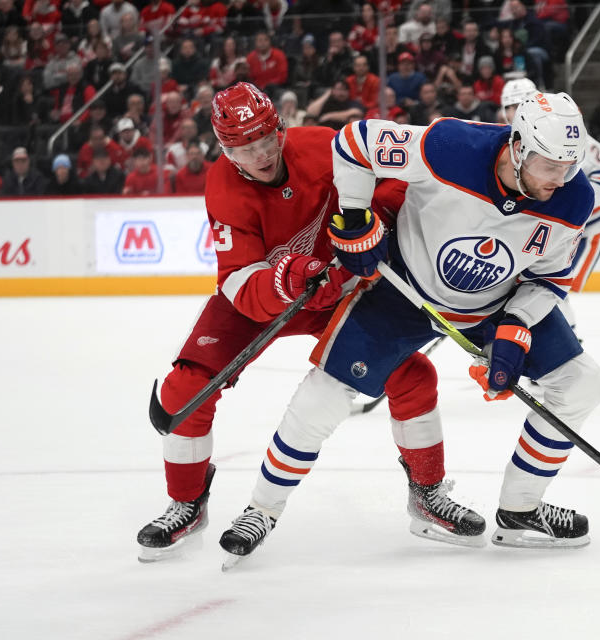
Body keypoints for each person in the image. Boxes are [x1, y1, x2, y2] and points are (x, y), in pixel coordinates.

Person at [220, 91, 600, 564]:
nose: (561, 178)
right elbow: (355, 142)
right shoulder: (450, 146)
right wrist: (358, 215)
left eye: (568, 166)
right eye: (550, 165)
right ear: (520, 145)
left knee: (582, 382)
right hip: (402, 291)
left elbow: (550, 277)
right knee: (325, 392)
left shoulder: (574, 197)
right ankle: (262, 508)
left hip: (494, 304)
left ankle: (520, 509)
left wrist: (516, 326)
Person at [135, 83, 475, 564]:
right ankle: (187, 504)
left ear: (280, 127)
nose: (260, 154)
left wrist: (375, 218)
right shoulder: (224, 187)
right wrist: (290, 276)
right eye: (243, 148)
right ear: (225, 150)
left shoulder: (322, 145)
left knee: (413, 375)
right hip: (262, 298)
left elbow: (396, 183)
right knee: (184, 390)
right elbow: (238, 281)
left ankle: (427, 495)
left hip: (338, 289)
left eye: (266, 139)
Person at [499, 78, 600, 330]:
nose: (516, 110)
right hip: (546, 228)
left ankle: (566, 340)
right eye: (510, 105)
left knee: (550, 287)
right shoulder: (506, 138)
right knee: (529, 285)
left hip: (584, 232)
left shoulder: (562, 133)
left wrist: (569, 208)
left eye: (522, 102)